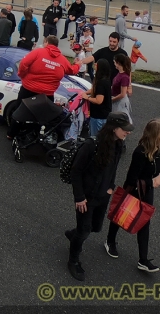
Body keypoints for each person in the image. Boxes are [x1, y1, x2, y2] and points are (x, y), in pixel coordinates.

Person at [65, 112, 133, 281]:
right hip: (86, 198)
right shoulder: (91, 145)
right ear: (113, 128)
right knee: (84, 231)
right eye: (124, 129)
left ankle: (73, 235)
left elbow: (113, 168)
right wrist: (79, 197)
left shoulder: (117, 144)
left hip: (103, 195)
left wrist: (110, 187)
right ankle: (73, 261)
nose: (128, 132)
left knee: (96, 227)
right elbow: (76, 171)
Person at [104, 118, 160, 273]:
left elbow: (158, 169)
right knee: (121, 216)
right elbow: (132, 179)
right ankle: (110, 241)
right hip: (133, 191)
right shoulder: (140, 153)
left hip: (147, 191)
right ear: (155, 135)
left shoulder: (159, 151)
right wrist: (153, 182)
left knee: (144, 223)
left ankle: (143, 260)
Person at [15, 36, 79, 104]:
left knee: (21, 112)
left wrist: (22, 75)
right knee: (42, 114)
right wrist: (78, 64)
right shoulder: (63, 60)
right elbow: (72, 70)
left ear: (47, 42)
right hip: (47, 95)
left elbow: (24, 63)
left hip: (28, 89)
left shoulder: (38, 52)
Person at [85, 59, 113, 136]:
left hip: (99, 115)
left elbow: (99, 100)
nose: (94, 65)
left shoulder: (101, 82)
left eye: (96, 64)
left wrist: (87, 98)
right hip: (103, 114)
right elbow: (95, 90)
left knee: (95, 137)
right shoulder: (105, 79)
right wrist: (85, 92)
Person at [110, 54, 133, 123]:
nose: (114, 64)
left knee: (122, 120)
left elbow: (123, 94)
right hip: (116, 99)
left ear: (118, 63)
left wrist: (111, 100)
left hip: (120, 101)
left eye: (114, 62)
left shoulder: (124, 77)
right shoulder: (120, 73)